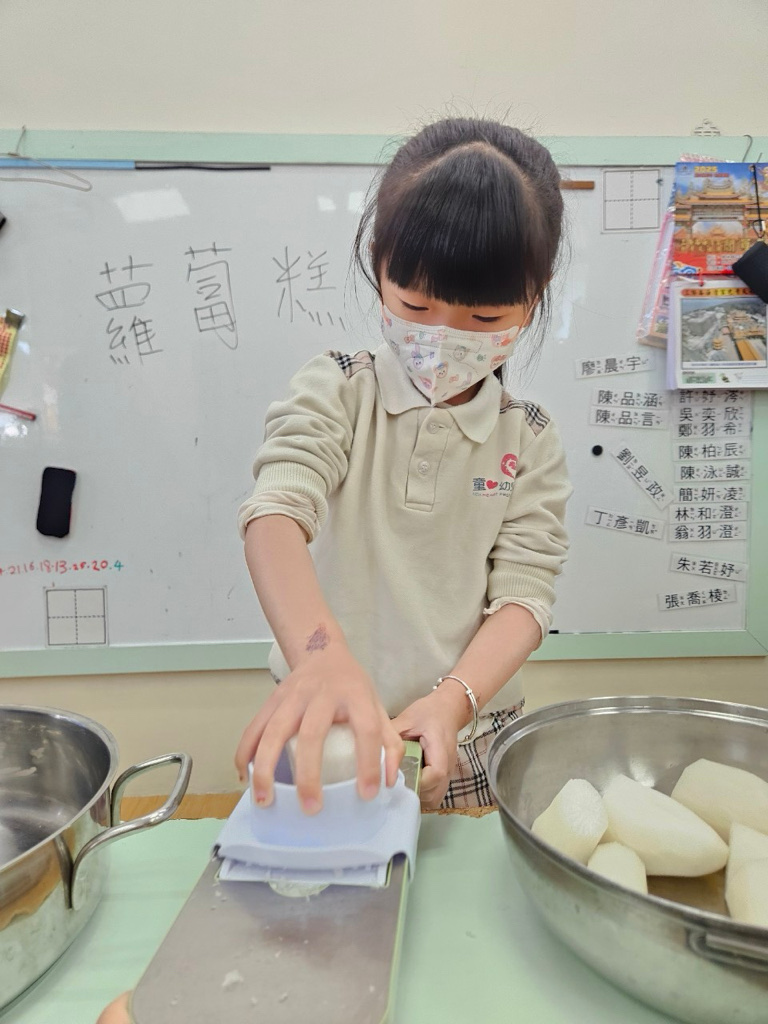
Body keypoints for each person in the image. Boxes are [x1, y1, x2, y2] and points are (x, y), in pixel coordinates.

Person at [235, 117, 571, 812]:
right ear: (378, 265)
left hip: (468, 730)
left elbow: (524, 597)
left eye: (484, 320)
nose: (443, 338)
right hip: (325, 719)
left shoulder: (529, 437)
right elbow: (276, 513)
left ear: (533, 299)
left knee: (463, 878)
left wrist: (452, 702)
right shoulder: (338, 389)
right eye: (416, 305)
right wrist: (321, 659)